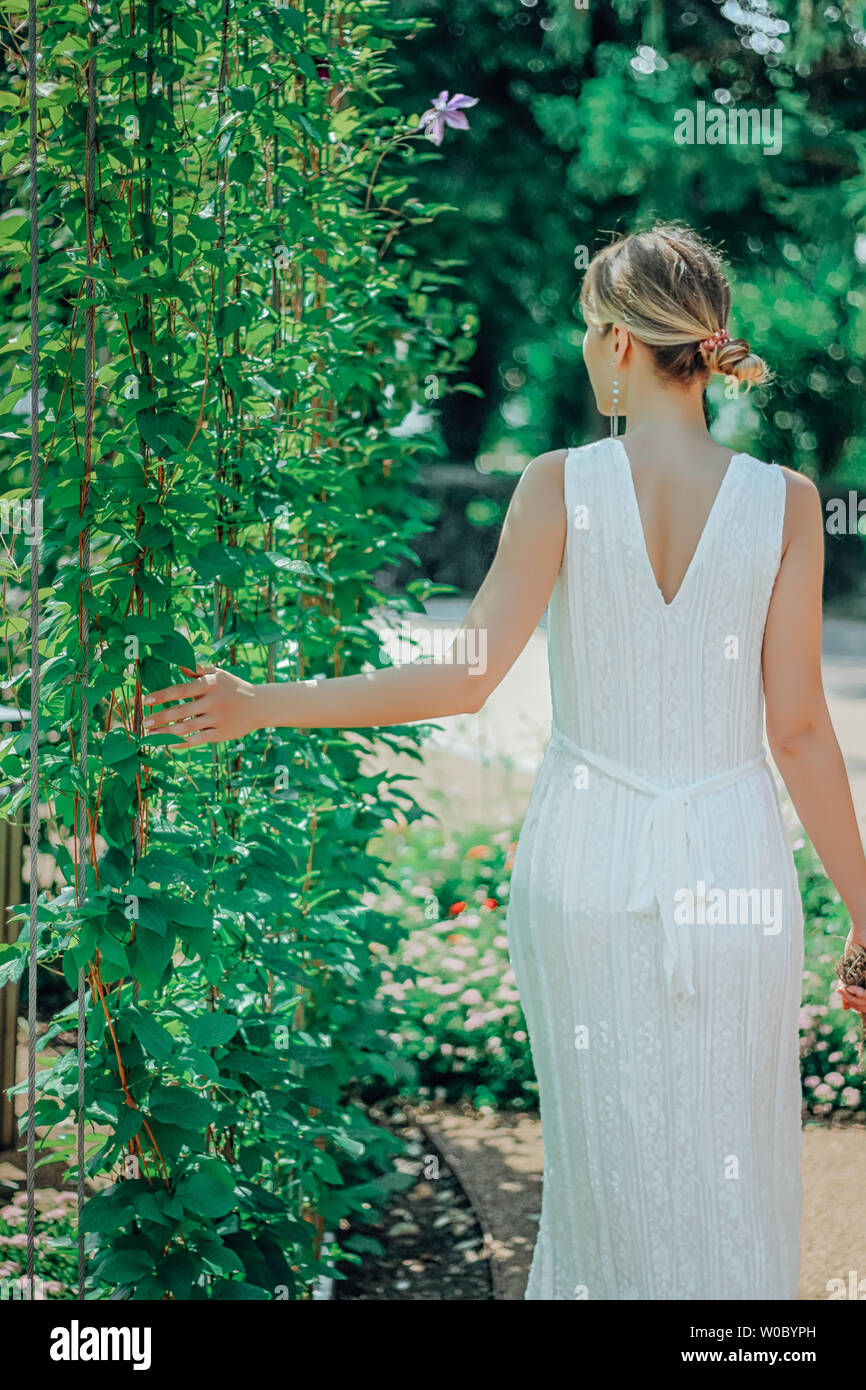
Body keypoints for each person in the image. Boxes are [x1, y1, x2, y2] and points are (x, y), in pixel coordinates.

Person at [143, 224, 866, 1301]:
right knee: (730, 1166)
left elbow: (463, 676)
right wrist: (865, 916)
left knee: (604, 1168)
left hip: (584, 862)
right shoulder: (786, 501)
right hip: (732, 866)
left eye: (587, 329)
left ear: (620, 343)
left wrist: (263, 707)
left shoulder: (557, 484)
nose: (584, 349)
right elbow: (799, 729)